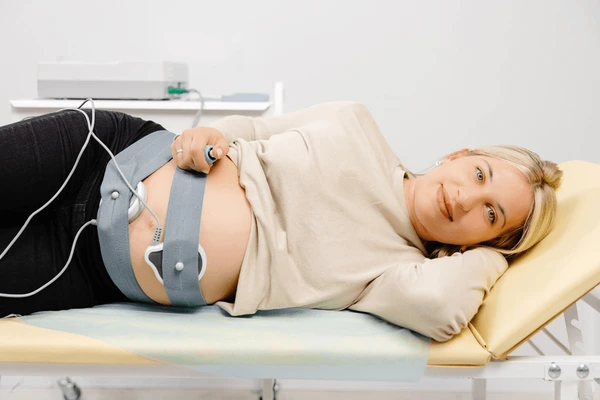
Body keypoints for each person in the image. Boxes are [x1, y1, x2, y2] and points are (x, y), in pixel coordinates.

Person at [0, 102, 562, 342]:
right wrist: (213, 133)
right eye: (480, 174)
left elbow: (441, 307)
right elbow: (255, 129)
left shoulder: (394, 273)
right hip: (102, 150)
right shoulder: (354, 123)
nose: (465, 199)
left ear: (484, 243)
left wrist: (493, 255)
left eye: (491, 215)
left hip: (91, 269)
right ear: (459, 154)